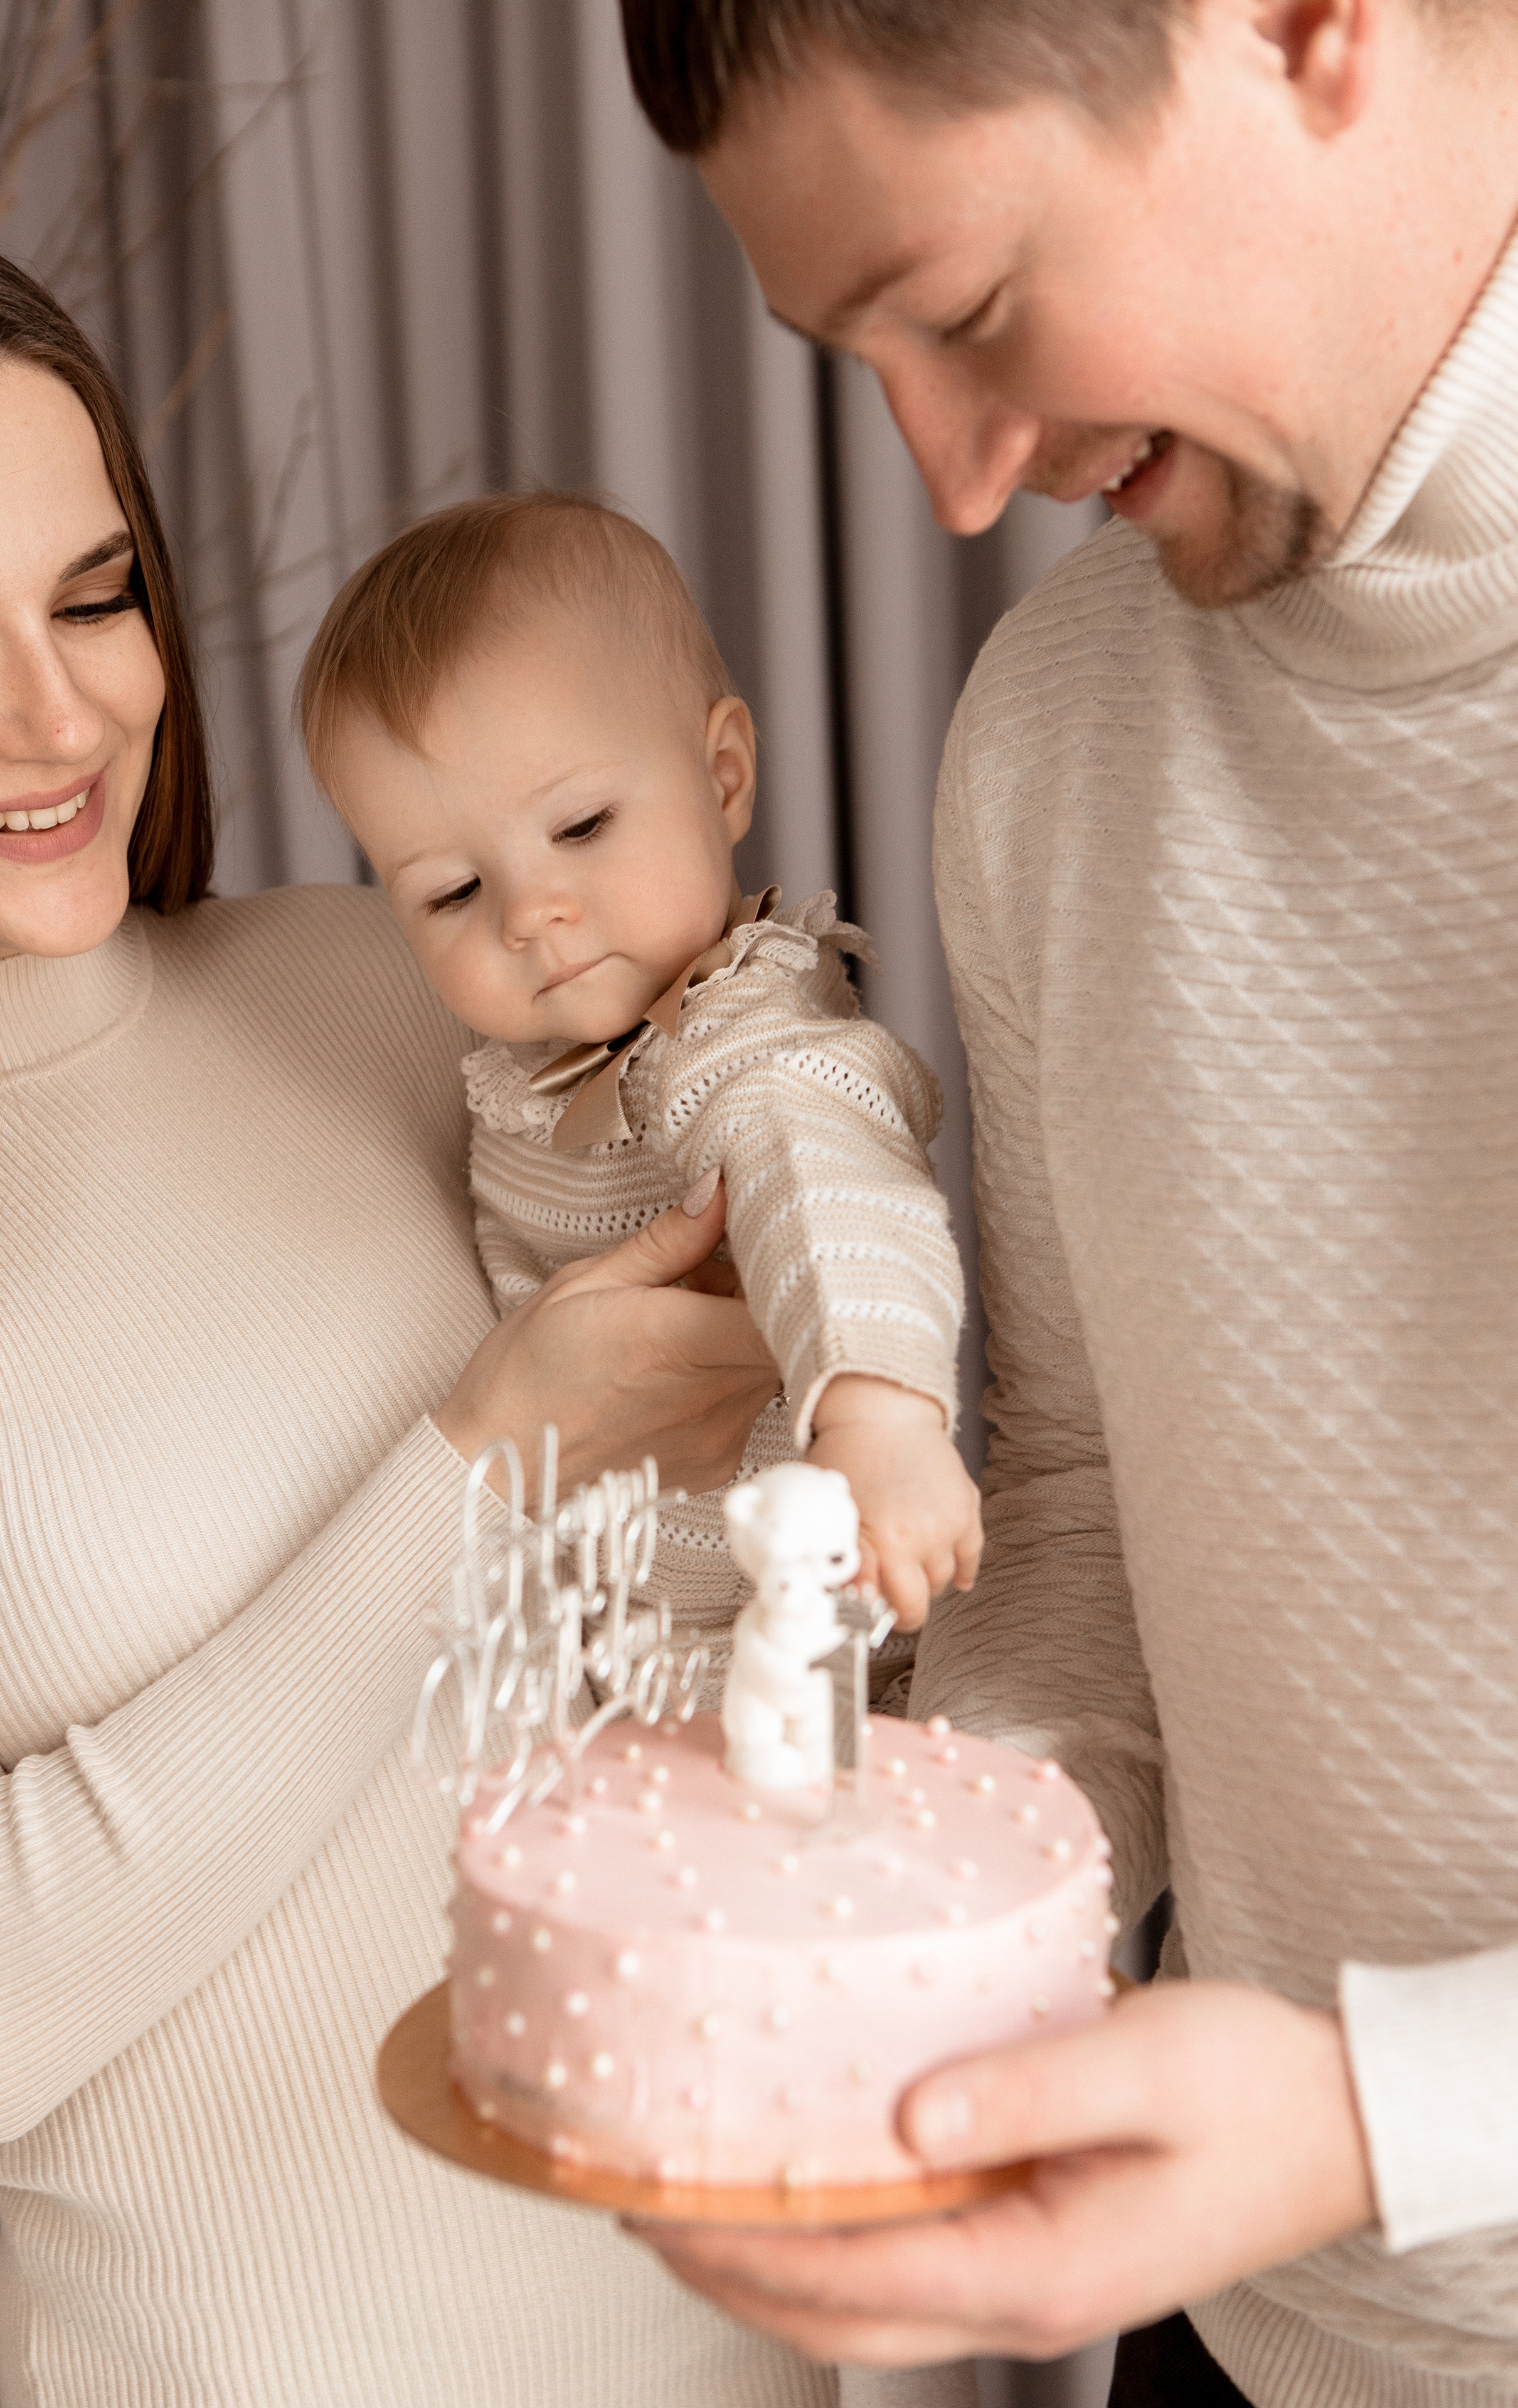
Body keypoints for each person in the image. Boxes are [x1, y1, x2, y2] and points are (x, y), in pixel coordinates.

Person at [617, 2, 1518, 2404]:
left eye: (975, 306)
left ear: (1300, 25)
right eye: (860, 354)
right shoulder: (1055, 730)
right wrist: (928, 1918)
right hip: (1257, 2339)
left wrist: (1375, 2117)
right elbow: (1105, 1502)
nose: (946, 474)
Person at [0, 221, 829, 2408]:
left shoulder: (412, 983)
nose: (61, 714)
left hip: (732, 2344)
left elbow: (753, 1577)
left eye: (99, 595)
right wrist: (482, 1457)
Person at [297, 490, 982, 1692]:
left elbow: (832, 1195)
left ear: (722, 777)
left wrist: (879, 1420)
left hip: (781, 1625)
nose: (529, 913)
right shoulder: (528, 1066)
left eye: (583, 825)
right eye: (452, 893)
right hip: (609, 1630)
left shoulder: (740, 1039)